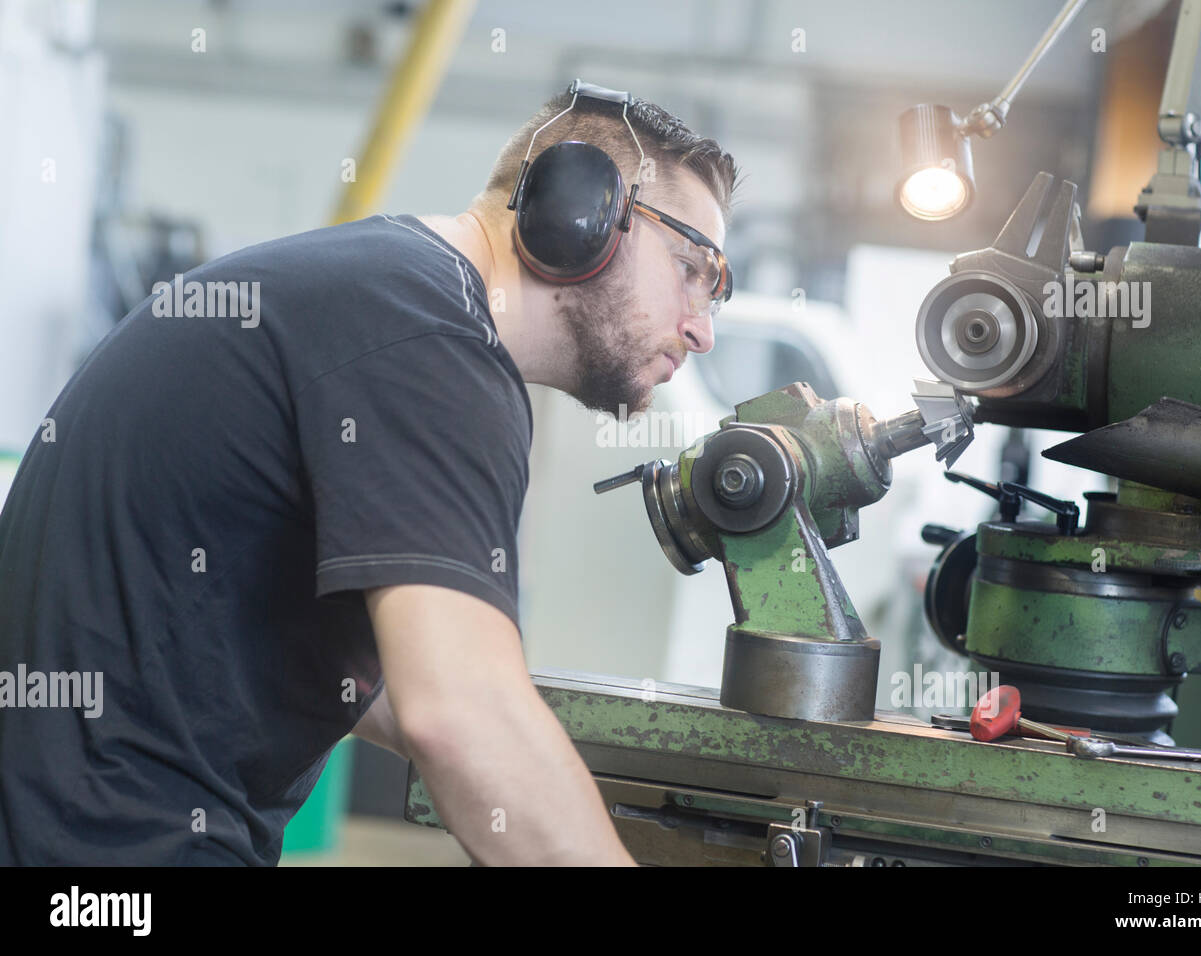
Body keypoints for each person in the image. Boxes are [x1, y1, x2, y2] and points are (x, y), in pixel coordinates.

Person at [0, 82, 738, 866]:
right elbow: (455, 717)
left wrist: (534, 742)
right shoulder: (430, 345)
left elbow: (310, 664)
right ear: (582, 212)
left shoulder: (384, 295)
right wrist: (490, 725)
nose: (702, 329)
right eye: (694, 268)